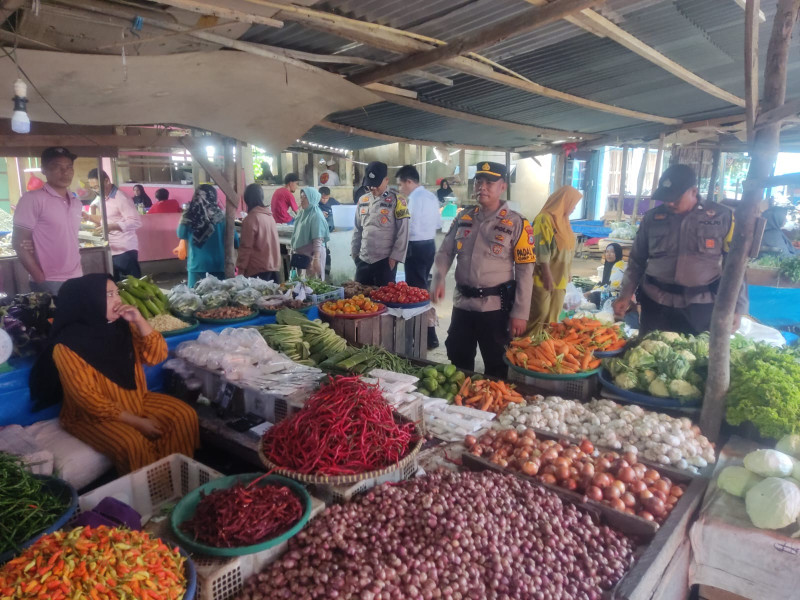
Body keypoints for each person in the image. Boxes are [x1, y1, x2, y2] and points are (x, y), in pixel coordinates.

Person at [29, 274, 199, 474]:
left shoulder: (123, 327)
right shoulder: (67, 347)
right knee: (132, 443)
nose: (118, 300)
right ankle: (154, 492)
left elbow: (156, 355)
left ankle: (180, 477)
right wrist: (138, 422)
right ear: (89, 301)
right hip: (90, 417)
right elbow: (87, 400)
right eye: (109, 295)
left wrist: (140, 321)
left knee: (184, 416)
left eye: (117, 293)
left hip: (136, 399)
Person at [613, 164, 748, 335]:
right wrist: (625, 295)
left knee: (696, 356)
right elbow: (636, 261)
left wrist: (738, 307)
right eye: (666, 197)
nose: (669, 202)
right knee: (649, 355)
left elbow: (735, 265)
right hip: (656, 304)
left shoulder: (723, 217)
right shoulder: (652, 218)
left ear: (693, 191)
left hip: (701, 305)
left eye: (676, 198)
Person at [432, 162, 536, 378]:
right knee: (457, 360)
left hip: (495, 309)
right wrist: (438, 278)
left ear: (502, 187)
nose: (482, 187)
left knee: (497, 364)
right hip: (463, 306)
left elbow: (525, 271)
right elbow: (445, 253)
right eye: (479, 182)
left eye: (489, 182)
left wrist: (520, 312)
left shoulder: (517, 223)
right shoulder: (464, 217)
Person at [12, 147, 82, 295]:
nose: (65, 172)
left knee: (76, 318)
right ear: (44, 170)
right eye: (57, 166)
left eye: (69, 167)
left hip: (77, 276)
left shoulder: (76, 201)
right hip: (50, 280)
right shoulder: (32, 199)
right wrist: (39, 277)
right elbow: (19, 242)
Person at [397, 165, 442, 348]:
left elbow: (406, 226)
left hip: (415, 247)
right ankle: (426, 333)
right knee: (422, 288)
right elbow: (438, 224)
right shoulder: (432, 196)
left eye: (401, 184)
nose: (400, 189)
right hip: (429, 246)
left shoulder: (412, 199)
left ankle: (428, 335)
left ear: (409, 181)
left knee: (417, 293)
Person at [527, 186, 583, 332]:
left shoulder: (564, 221)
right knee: (539, 315)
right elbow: (541, 248)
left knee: (552, 320)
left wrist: (568, 272)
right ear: (564, 201)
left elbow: (568, 249)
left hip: (560, 278)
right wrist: (546, 274)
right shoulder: (544, 218)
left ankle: (545, 348)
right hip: (544, 278)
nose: (574, 208)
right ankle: (526, 348)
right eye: (573, 204)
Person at [351, 161, 410, 286]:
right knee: (359, 298)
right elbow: (357, 229)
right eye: (370, 185)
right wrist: (355, 253)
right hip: (363, 259)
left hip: (385, 260)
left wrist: (394, 258)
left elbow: (403, 232)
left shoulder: (397, 200)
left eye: (376, 184)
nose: (373, 188)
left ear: (386, 180)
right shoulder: (363, 200)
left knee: (384, 298)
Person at [84, 169, 143, 281]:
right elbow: (106, 219)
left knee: (133, 286)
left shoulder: (121, 198)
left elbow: (135, 221)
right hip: (111, 248)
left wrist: (111, 227)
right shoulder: (103, 197)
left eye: (97, 186)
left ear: (106, 181)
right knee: (116, 286)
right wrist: (88, 217)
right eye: (93, 188)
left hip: (125, 249)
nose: (96, 190)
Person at [177, 184, 238, 287]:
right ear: (214, 197)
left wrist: (185, 214)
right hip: (219, 265)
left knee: (195, 299)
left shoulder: (190, 215)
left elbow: (181, 234)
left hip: (197, 265)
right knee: (218, 299)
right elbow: (235, 240)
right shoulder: (223, 216)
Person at [237, 183, 281, 281]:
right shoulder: (269, 216)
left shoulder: (251, 219)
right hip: (273, 267)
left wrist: (241, 269)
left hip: (257, 270)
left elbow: (246, 247)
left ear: (247, 199)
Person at [291, 187, 330, 280]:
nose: (302, 200)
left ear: (312, 198)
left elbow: (318, 239)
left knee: (313, 286)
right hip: (302, 257)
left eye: (305, 197)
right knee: (301, 286)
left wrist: (316, 259)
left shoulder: (316, 215)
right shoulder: (302, 213)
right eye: (301, 197)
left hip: (312, 257)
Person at [587, 243, 625, 308]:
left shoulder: (619, 267)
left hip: (618, 295)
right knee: (588, 290)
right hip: (609, 291)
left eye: (612, 252)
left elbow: (611, 287)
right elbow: (602, 282)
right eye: (607, 252)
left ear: (617, 253)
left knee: (594, 295)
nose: (609, 254)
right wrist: (592, 289)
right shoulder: (608, 265)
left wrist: (592, 292)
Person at [319, 186, 340, 279]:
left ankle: (327, 275)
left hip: (332, 232)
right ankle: (322, 275)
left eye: (326, 198)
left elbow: (340, 211)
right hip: (321, 233)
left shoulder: (333, 202)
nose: (324, 200)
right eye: (322, 198)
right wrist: (319, 214)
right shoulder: (315, 204)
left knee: (329, 256)